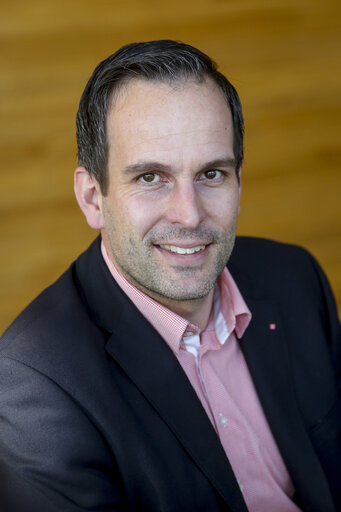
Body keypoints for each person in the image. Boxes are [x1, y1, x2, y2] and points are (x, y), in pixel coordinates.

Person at [0, 40, 340, 512]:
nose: (188, 214)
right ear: (93, 198)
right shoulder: (36, 387)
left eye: (212, 174)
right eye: (150, 178)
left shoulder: (294, 279)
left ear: (240, 183)